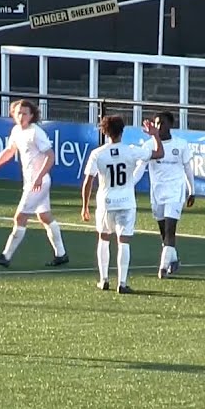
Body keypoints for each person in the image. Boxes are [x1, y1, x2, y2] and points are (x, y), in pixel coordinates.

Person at [0, 99, 69, 268]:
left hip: (38, 183)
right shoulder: (16, 131)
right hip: (32, 181)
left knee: (20, 217)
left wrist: (39, 176)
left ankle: (5, 256)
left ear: (32, 115)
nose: (21, 116)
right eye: (18, 113)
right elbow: (9, 151)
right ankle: (61, 254)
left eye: (25, 113)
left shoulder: (36, 133)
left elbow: (50, 156)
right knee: (45, 216)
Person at [81, 115, 163, 293]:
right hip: (126, 202)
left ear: (104, 132)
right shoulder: (130, 150)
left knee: (104, 239)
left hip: (106, 203)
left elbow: (88, 182)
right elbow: (159, 153)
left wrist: (85, 206)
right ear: (122, 131)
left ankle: (103, 280)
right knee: (123, 242)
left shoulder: (97, 154)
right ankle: (122, 283)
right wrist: (155, 135)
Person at [131, 111, 196, 279]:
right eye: (157, 123)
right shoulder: (149, 146)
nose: (159, 127)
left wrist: (192, 190)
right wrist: (129, 185)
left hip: (175, 191)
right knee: (164, 233)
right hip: (157, 193)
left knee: (170, 230)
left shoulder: (181, 145)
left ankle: (163, 267)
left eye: (162, 124)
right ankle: (173, 260)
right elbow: (140, 169)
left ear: (170, 125)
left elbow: (188, 169)